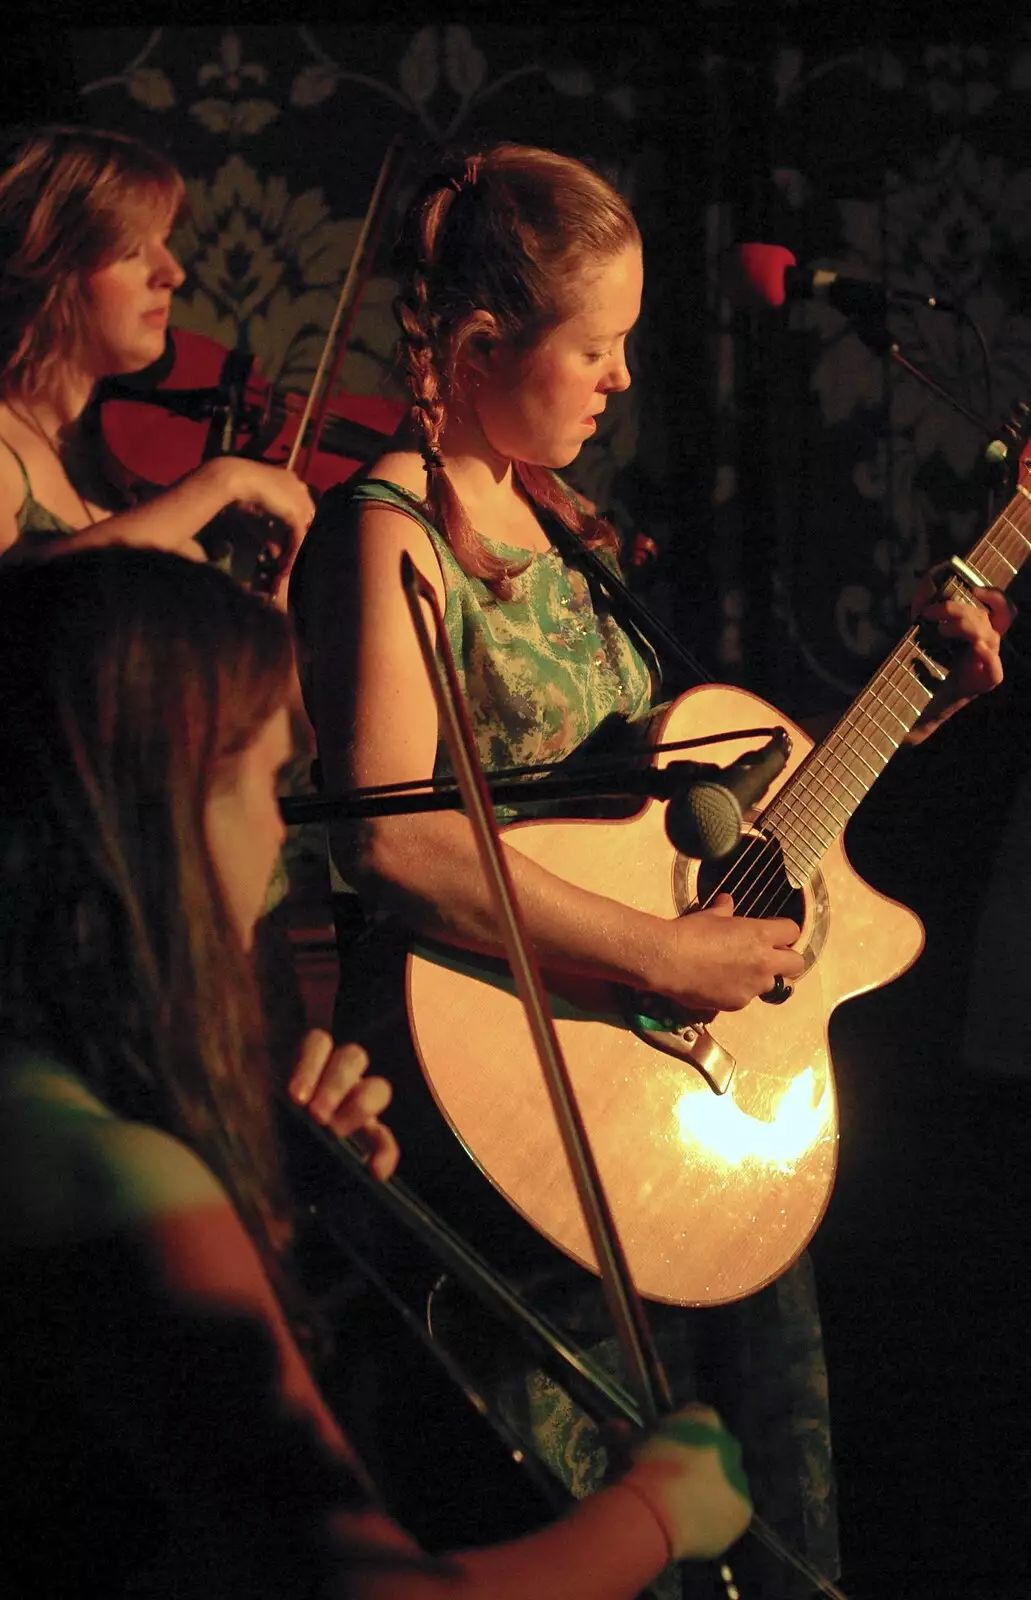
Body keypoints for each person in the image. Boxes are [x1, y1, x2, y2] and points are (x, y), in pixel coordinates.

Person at [290, 143, 1010, 1597]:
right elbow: (391, 835)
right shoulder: (391, 534)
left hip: (659, 1112)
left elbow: (693, 817)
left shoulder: (558, 532)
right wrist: (663, 955)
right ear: (482, 347)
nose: (621, 378)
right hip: (509, 1137)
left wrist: (913, 701)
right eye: (597, 347)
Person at [0, 544, 754, 1600]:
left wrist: (251, 1235)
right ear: (157, 809)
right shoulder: (112, 1179)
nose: (283, 831)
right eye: (266, 782)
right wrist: (655, 1511)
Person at [0, 124, 313, 595]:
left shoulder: (106, 467)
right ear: (52, 262)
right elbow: (30, 596)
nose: (173, 272)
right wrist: (220, 482)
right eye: (131, 249)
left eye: (165, 242)